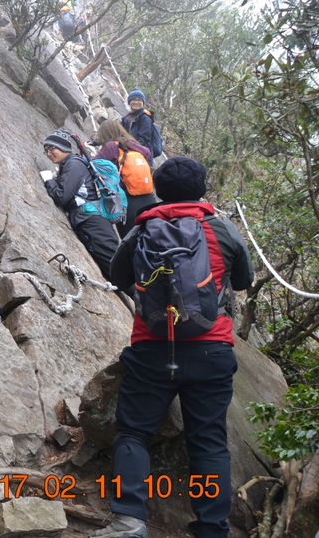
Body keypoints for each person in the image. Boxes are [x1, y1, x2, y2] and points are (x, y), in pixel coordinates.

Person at [95, 156, 254, 538]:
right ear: (202, 190)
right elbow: (245, 279)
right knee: (209, 440)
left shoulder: (143, 227)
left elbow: (117, 276)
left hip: (152, 346)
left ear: (159, 190)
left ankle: (129, 519)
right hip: (210, 348)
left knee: (133, 432)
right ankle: (212, 527)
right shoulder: (221, 228)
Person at [41, 129, 120, 280]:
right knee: (111, 268)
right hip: (89, 219)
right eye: (46, 151)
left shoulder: (74, 164)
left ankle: (145, 298)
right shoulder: (71, 164)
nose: (49, 153)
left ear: (64, 147)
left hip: (92, 221)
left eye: (52, 148)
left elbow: (61, 197)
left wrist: (49, 180)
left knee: (115, 268)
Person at [93, 120, 160, 237]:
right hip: (148, 198)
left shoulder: (111, 146)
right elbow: (148, 153)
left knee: (130, 241)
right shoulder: (134, 145)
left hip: (128, 201)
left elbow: (94, 164)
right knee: (150, 237)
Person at [121, 89, 163, 161]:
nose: (136, 102)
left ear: (143, 102)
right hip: (129, 153)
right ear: (129, 102)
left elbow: (143, 140)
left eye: (139, 100)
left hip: (141, 157)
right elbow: (119, 133)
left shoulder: (145, 118)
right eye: (134, 99)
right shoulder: (127, 117)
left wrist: (128, 146)